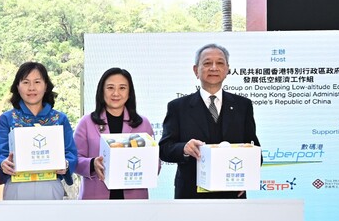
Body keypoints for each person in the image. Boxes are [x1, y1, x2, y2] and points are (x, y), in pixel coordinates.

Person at [159, 43, 260, 199]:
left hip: (232, 192)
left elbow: (255, 150)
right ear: (196, 70)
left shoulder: (242, 105)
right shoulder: (178, 107)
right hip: (191, 193)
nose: (214, 67)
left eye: (220, 63)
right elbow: (164, 149)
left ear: (227, 69)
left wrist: (246, 179)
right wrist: (184, 148)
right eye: (207, 63)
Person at [0, 62, 76, 200]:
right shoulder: (7, 119)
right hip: (16, 185)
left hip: (50, 184)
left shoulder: (60, 119)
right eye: (25, 82)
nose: (31, 88)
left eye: (37, 82)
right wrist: (3, 163)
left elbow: (70, 152)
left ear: (46, 86)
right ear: (17, 87)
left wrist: (66, 164)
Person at [74, 67, 155, 200]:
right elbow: (75, 159)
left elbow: (154, 162)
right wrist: (92, 164)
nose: (116, 93)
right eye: (110, 88)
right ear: (102, 91)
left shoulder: (143, 123)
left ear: (129, 92)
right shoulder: (87, 122)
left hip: (134, 198)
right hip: (95, 197)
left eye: (122, 88)